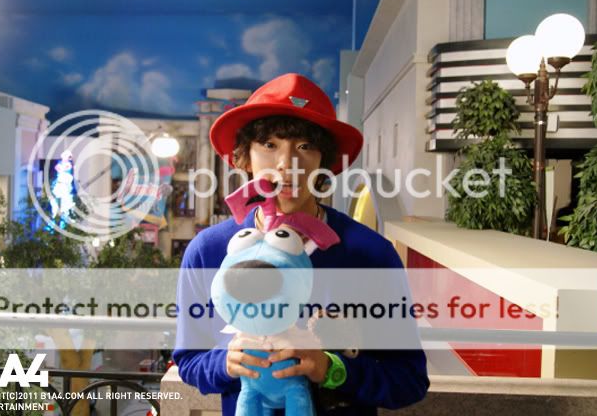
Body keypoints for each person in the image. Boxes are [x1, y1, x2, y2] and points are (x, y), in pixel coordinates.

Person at [173, 73, 429, 415]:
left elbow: (409, 380)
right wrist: (225, 363)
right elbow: (189, 361)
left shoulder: (371, 254)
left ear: (324, 161)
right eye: (269, 145)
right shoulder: (209, 251)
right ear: (244, 158)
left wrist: (333, 369)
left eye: (305, 146)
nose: (287, 163)